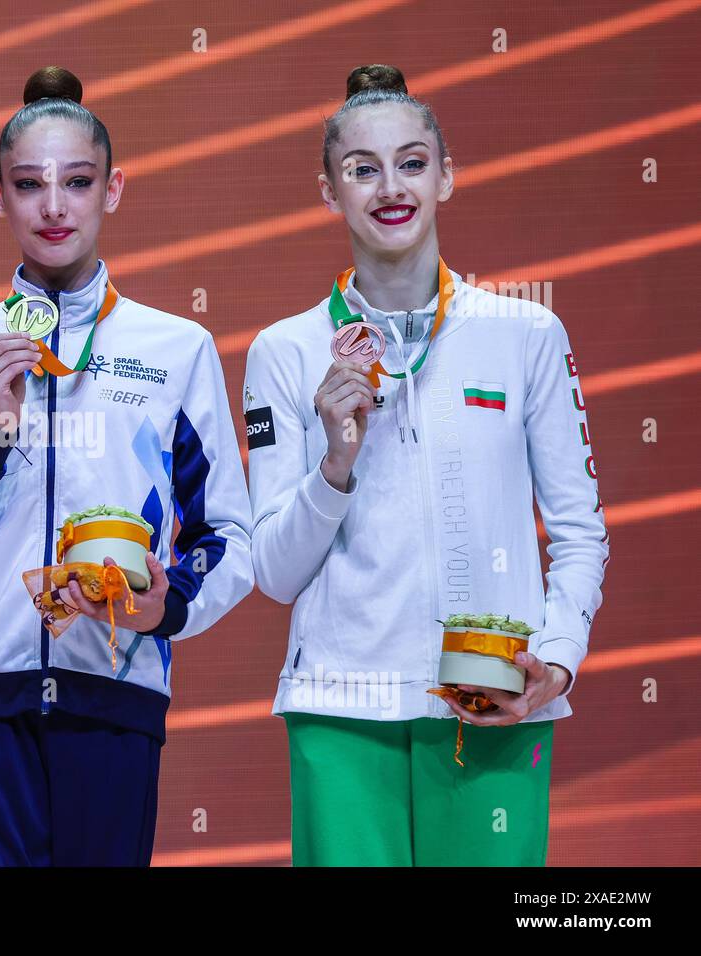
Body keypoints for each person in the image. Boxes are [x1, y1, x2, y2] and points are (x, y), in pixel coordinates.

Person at [0, 66, 253, 866]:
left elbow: (225, 532)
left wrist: (167, 610)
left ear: (114, 189)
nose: (54, 207)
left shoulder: (177, 350)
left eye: (78, 182)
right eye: (30, 185)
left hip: (116, 696)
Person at [243, 64, 610, 866]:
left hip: (495, 704)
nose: (390, 188)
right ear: (328, 190)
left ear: (447, 174)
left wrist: (555, 661)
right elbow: (271, 571)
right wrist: (336, 460)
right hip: (341, 711)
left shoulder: (526, 334)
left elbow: (581, 532)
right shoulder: (284, 350)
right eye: (361, 169)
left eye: (412, 162)